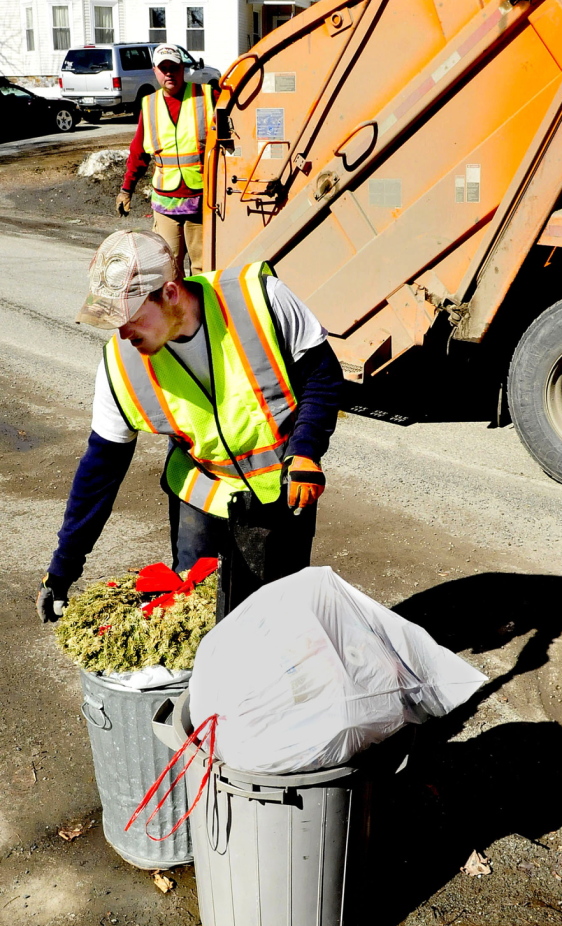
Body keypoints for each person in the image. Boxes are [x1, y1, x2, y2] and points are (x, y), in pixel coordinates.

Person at [36, 229, 344, 623]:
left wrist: (306, 451)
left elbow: (322, 376)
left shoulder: (260, 299)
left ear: (169, 292)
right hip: (200, 495)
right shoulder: (120, 366)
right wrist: (63, 569)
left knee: (280, 617)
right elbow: (100, 471)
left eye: (129, 316)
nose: (123, 332)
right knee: (193, 614)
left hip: (282, 490)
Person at [115, 44, 215, 275]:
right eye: (164, 68)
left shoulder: (208, 96)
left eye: (174, 67)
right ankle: (178, 312)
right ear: (155, 71)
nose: (169, 73)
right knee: (169, 269)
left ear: (183, 68)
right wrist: (126, 189)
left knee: (203, 270)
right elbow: (138, 152)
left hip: (201, 200)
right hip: (166, 204)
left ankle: (202, 311)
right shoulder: (149, 104)